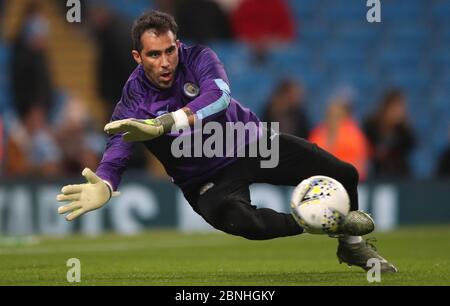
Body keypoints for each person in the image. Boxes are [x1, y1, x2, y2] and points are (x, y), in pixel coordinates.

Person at [56, 11, 397, 273]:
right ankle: (322, 221)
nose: (165, 62)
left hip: (250, 143)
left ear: (179, 45)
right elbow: (117, 148)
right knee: (244, 223)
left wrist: (165, 124)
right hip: (205, 178)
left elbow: (218, 98)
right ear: (137, 57)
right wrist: (105, 182)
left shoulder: (200, 58)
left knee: (344, 173)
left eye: (170, 51)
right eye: (154, 54)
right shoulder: (132, 100)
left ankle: (351, 245)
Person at [309, 97, 369, 181]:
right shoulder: (318, 132)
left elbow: (361, 163)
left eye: (336, 114)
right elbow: (311, 159)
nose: (332, 118)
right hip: (321, 181)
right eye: (330, 114)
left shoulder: (354, 135)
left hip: (347, 181)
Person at [363, 89, 416, 178]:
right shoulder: (371, 126)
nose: (400, 111)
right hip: (375, 174)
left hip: (400, 175)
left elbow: (409, 147)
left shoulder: (404, 131)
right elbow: (366, 148)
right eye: (396, 107)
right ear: (387, 107)